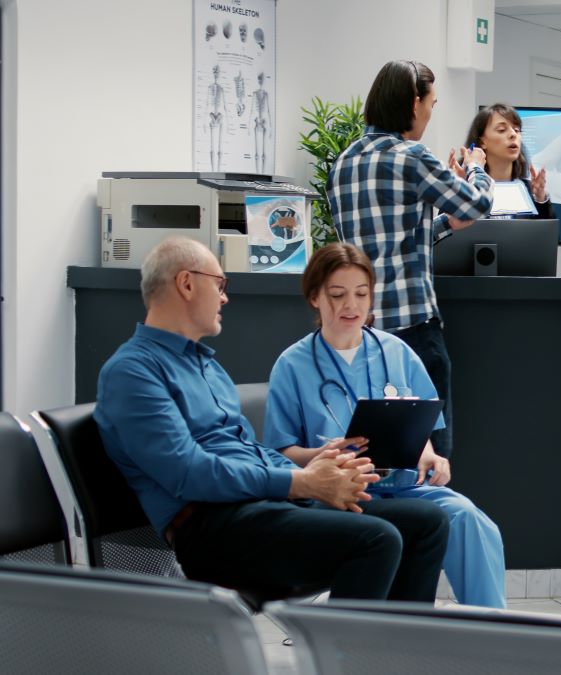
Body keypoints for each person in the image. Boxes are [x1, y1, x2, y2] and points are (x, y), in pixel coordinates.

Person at [94, 237, 450, 602]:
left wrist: (320, 465)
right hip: (211, 526)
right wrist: (301, 482)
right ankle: (343, 658)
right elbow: (190, 473)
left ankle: (400, 653)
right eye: (219, 284)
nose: (224, 297)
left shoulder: (206, 365)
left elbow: (249, 451)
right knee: (377, 538)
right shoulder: (133, 372)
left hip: (259, 509)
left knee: (426, 523)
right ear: (186, 283)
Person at [262, 243, 507, 608]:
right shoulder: (293, 365)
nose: (352, 306)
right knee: (408, 526)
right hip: (340, 492)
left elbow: (420, 425)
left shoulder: (397, 352)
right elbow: (280, 452)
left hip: (405, 486)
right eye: (338, 294)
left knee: (471, 521)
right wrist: (323, 454)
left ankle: (494, 634)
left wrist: (431, 456)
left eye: (361, 294)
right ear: (314, 297)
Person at [329, 60, 494, 460]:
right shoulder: (411, 156)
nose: (430, 115)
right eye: (432, 105)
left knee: (375, 456)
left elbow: (386, 239)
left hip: (361, 329)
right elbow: (478, 204)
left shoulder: (344, 163)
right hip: (413, 330)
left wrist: (443, 226)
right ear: (414, 103)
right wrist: (476, 170)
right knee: (431, 457)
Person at [465, 103, 553, 219]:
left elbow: (549, 234)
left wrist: (540, 198)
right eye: (502, 130)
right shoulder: (467, 187)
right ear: (482, 142)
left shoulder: (528, 190)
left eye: (517, 130)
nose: (513, 134)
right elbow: (445, 232)